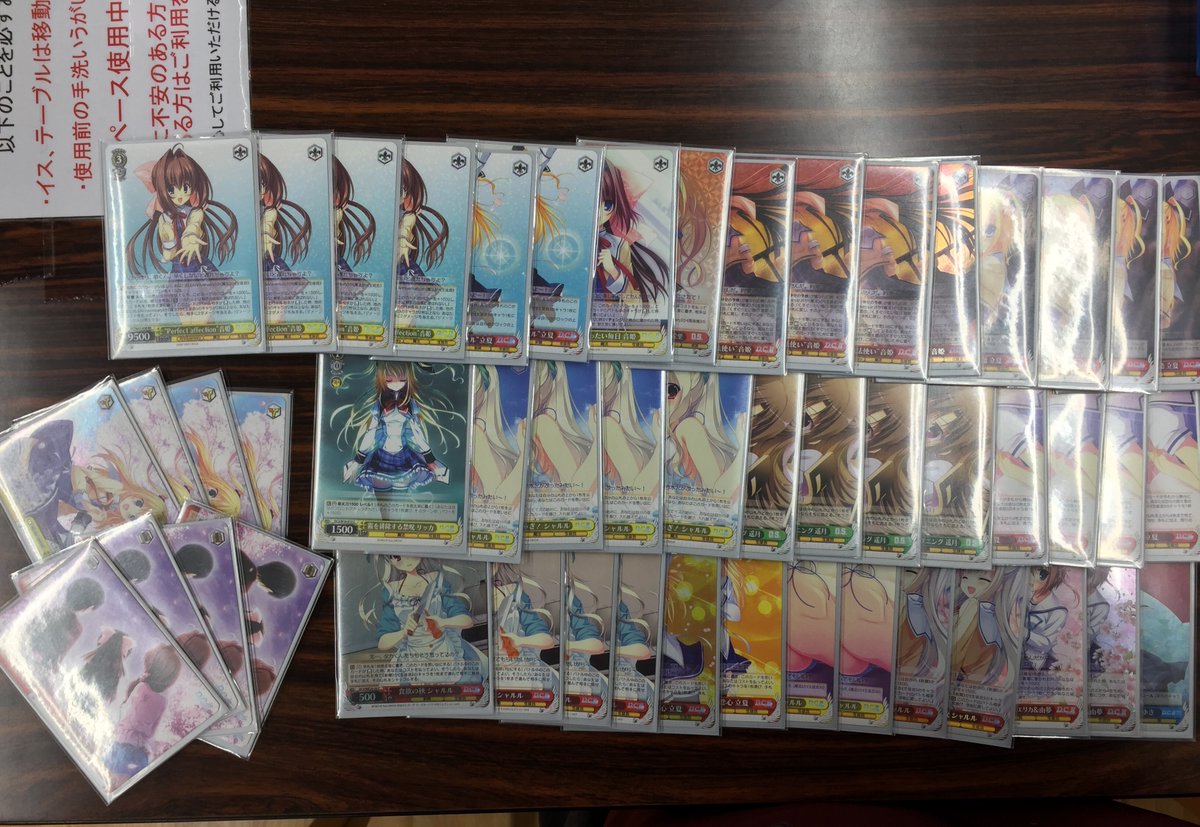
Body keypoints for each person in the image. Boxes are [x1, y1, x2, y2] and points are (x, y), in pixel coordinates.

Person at [126, 144, 239, 321]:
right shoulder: (165, 218)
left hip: (197, 267)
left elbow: (194, 226)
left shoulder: (195, 212)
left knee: (204, 312)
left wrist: (190, 238)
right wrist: (169, 245)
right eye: (171, 189)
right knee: (185, 315)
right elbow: (168, 245)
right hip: (178, 270)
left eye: (185, 187)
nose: (179, 195)